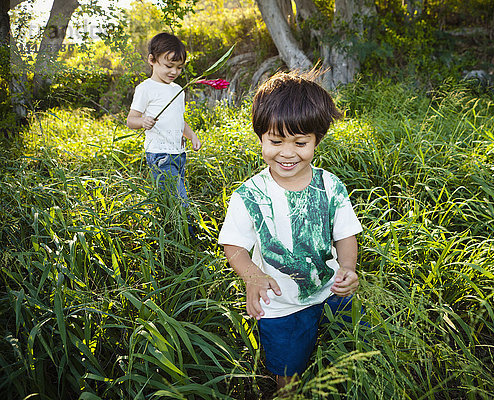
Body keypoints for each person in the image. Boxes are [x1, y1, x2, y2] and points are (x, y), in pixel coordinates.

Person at [218, 71, 363, 391]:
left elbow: (345, 234)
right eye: (275, 141)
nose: (287, 152)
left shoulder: (330, 186)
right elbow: (234, 245)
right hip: (280, 305)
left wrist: (349, 268)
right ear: (260, 137)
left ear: (316, 140)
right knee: (287, 366)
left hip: (332, 289)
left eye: (300, 142)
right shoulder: (249, 195)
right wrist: (252, 276)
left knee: (356, 343)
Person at [126, 32, 200, 204]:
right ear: (152, 60)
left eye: (179, 67)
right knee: (180, 202)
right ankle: (186, 228)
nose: (174, 71)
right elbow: (131, 120)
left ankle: (171, 227)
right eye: (168, 66)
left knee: (171, 199)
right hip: (160, 154)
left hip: (179, 154)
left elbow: (179, 120)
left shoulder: (177, 89)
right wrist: (143, 122)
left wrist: (192, 135)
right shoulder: (146, 88)